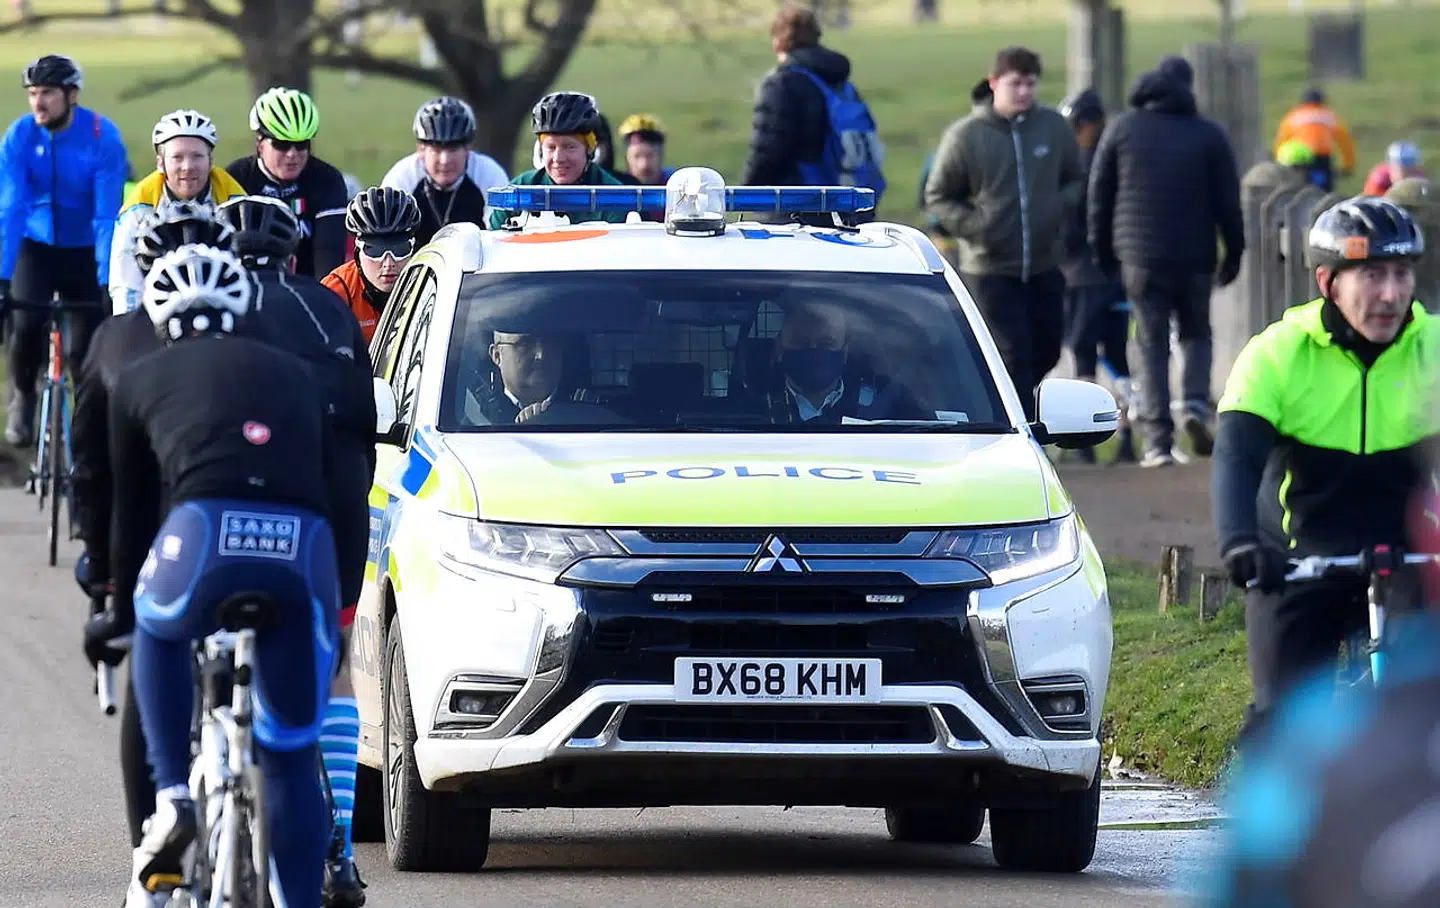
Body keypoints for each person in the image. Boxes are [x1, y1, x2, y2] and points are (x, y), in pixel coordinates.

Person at [112, 245, 344, 908]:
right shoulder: (300, 373)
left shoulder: (139, 376)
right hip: (304, 547)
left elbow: (129, 516)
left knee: (156, 625)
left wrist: (115, 609)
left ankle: (172, 796)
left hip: (204, 532)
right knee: (292, 751)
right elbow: (335, 485)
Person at [1211, 195, 1439, 749]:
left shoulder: (1432, 348)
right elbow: (1237, 456)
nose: (1391, 295)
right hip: (1298, 559)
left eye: (1402, 274)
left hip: (1405, 553)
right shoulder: (1279, 354)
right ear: (1328, 282)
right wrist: (1239, 541)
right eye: (1373, 275)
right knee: (1281, 723)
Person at [1088, 54, 1245, 468]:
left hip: (1140, 257)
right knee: (1196, 333)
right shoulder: (1208, 134)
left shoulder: (1122, 129)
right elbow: (1228, 202)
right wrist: (1234, 251)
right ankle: (1194, 405)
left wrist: (1102, 251)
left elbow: (1100, 194)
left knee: (1151, 341)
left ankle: (1158, 439)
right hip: (1196, 255)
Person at [924, 45, 1084, 423]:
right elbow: (938, 196)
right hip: (989, 268)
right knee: (1012, 355)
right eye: (1016, 84)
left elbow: (1076, 179)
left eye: (1031, 84)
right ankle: (1022, 432)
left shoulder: (1052, 128)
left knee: (1048, 349)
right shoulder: (966, 135)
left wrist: (1056, 209)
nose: (1024, 92)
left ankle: (1010, 411)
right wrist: (977, 227)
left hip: (1043, 263)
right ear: (994, 83)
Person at [1, 54, 127, 447]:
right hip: (36, 247)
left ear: (71, 96)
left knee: (84, 352)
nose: (38, 103)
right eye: (33, 94)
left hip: (85, 250)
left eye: (47, 94)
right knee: (25, 326)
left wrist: (107, 280)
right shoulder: (20, 136)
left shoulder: (102, 137)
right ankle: (23, 395)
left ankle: (86, 434)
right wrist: (2, 276)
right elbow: (11, 209)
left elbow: (107, 216)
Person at [742, 4, 886, 212]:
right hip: (849, 201)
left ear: (778, 42)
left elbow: (768, 150)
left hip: (798, 206)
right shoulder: (841, 83)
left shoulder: (782, 84)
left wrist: (746, 192)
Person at [1059, 88, 1136, 465]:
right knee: (1118, 356)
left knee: (1084, 356)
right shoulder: (1119, 163)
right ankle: (1127, 436)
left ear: (1085, 125)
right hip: (1116, 275)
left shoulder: (1075, 169)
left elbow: (1067, 226)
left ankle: (1085, 441)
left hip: (1081, 276)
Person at [109, 109, 247, 314]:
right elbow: (126, 285)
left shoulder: (235, 201)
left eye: (197, 156)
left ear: (211, 161)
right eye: (177, 157)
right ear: (160, 163)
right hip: (158, 308)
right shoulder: (138, 207)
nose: (187, 167)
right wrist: (129, 326)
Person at [226, 87, 349, 279]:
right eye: (281, 145)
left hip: (308, 286)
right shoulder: (236, 177)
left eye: (301, 145)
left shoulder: (327, 180)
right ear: (259, 144)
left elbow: (329, 257)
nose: (292, 154)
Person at [487, 92, 628, 229]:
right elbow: (493, 237)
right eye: (551, 147)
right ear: (541, 149)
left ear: (589, 149)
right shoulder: (520, 188)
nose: (558, 158)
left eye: (570, 147)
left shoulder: (613, 196)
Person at [380, 96, 508, 247]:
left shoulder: (489, 174)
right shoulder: (402, 178)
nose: (445, 160)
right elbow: (386, 239)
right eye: (436, 150)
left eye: (453, 149)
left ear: (468, 148)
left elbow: (501, 235)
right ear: (421, 149)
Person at [322, 186, 421, 343]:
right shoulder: (337, 292)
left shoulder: (429, 281)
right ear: (357, 252)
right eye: (375, 251)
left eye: (399, 250)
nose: (388, 263)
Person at [1271, 87, 1356, 192]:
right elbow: (1345, 142)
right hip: (1323, 157)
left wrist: (1276, 160)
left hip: (1300, 157)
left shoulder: (1294, 115)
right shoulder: (1329, 115)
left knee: (1299, 188)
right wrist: (1348, 165)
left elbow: (1282, 139)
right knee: (1325, 190)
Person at [617, 113, 675, 186]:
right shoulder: (617, 186)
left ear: (661, 155)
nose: (644, 165)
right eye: (636, 156)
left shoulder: (675, 184)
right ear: (626, 157)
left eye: (650, 156)